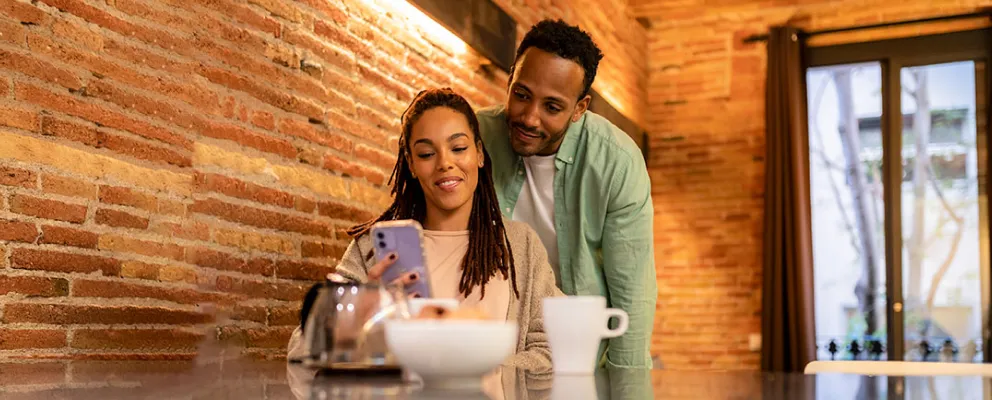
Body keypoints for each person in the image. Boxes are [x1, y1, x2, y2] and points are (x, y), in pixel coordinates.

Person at [287, 88, 562, 371]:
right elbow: (300, 354)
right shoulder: (374, 249)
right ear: (412, 163)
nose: (445, 163)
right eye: (427, 153)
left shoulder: (520, 245)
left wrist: (470, 369)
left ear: (479, 153)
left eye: (458, 148)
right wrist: (362, 314)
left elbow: (553, 351)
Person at [476, 19, 657, 369]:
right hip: (492, 344)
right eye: (522, 94)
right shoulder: (477, 136)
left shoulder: (616, 162)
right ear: (511, 79)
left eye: (552, 107)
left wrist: (628, 383)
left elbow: (631, 293)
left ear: (580, 108)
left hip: (578, 354)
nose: (529, 117)